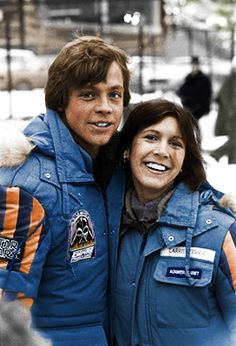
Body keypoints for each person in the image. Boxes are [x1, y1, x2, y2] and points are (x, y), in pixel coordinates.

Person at [0, 35, 131, 345]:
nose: (105, 108)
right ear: (61, 99)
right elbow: (7, 306)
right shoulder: (28, 186)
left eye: (115, 95)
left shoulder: (116, 167)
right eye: (88, 95)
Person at [105, 99, 236, 345]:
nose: (163, 152)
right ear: (127, 148)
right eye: (151, 137)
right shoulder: (108, 229)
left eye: (175, 143)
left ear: (186, 158)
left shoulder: (218, 233)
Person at [210, 59, 236, 163]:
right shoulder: (231, 80)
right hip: (232, 116)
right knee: (235, 139)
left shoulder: (232, 80)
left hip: (232, 115)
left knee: (234, 139)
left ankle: (232, 161)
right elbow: (224, 98)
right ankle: (216, 154)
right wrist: (231, 111)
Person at [177, 56, 212, 121]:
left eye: (196, 64)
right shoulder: (188, 78)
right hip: (188, 107)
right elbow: (181, 91)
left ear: (198, 65)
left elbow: (207, 95)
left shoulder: (204, 79)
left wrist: (206, 107)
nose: (194, 67)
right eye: (193, 65)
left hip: (199, 108)